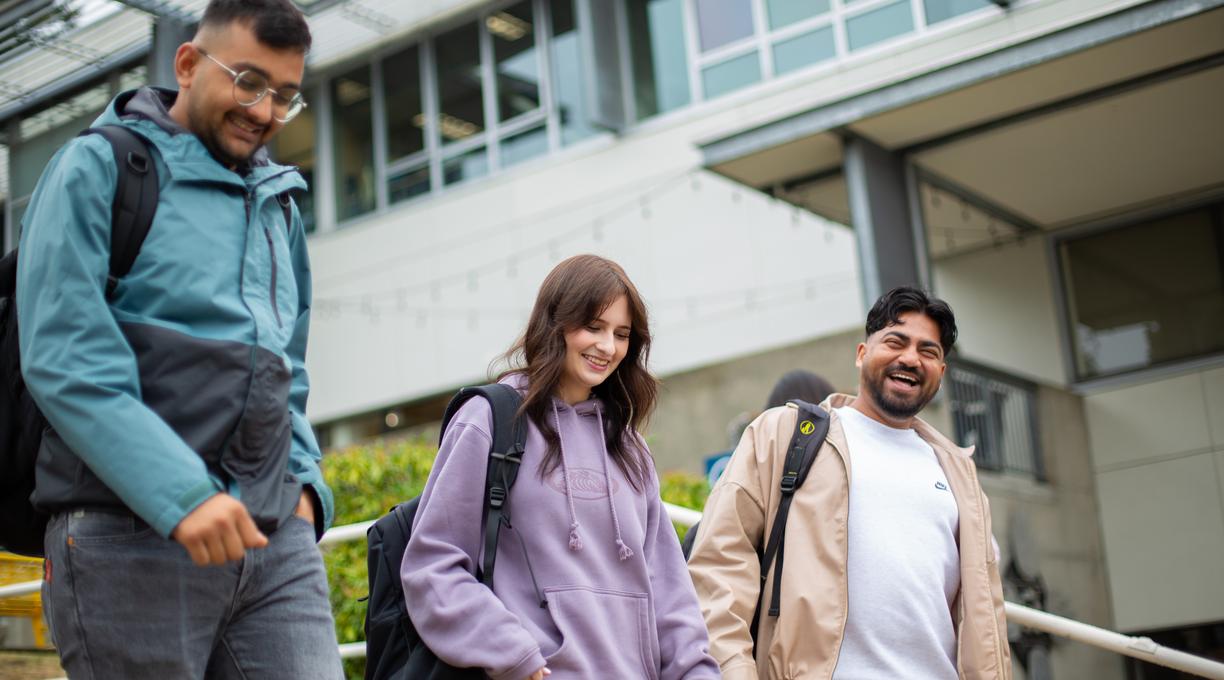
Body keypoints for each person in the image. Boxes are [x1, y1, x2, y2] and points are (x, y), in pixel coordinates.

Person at [17, 1, 341, 677]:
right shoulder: (96, 168)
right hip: (122, 535)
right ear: (189, 63)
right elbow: (64, 356)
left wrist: (306, 486)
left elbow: (290, 369)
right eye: (248, 82)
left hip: (273, 538)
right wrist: (184, 494)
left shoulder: (278, 202)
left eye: (285, 95)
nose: (264, 111)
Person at [402, 254, 720, 680]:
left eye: (621, 334)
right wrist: (516, 656)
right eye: (593, 327)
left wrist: (698, 673)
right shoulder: (489, 420)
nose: (608, 347)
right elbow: (432, 565)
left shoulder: (629, 447)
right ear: (555, 323)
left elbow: (670, 594)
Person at [687, 286, 1011, 680]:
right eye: (896, 341)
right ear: (862, 355)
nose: (910, 358)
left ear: (940, 373)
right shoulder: (785, 435)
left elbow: (986, 614)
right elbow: (718, 566)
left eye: (928, 351)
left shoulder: (959, 474)